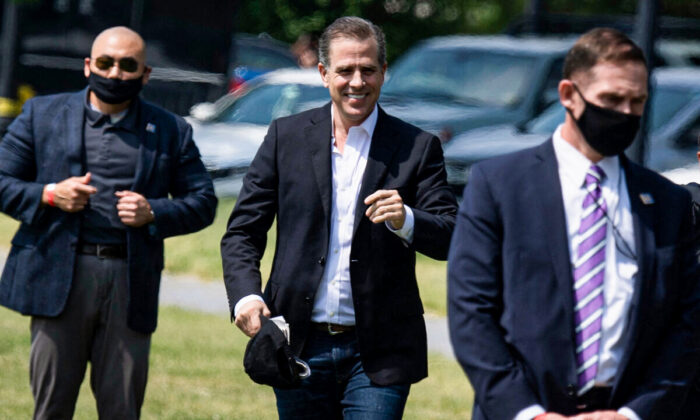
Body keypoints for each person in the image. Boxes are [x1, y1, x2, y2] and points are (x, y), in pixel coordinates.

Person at [447, 28, 700, 420]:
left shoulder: (666, 202)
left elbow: (685, 325)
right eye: (611, 100)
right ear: (568, 95)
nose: (626, 113)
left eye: (637, 102)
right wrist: (529, 413)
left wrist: (633, 413)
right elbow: (471, 313)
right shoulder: (499, 185)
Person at [221, 16, 457, 419]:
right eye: (345, 70)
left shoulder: (417, 147)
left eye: (368, 70)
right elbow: (242, 231)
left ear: (384, 72)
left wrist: (408, 220)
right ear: (323, 73)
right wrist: (246, 295)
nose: (357, 82)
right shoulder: (286, 137)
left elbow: (451, 235)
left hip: (379, 352)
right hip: (297, 341)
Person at [0, 26, 217, 419]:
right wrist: (49, 194)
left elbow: (203, 203)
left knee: (122, 408)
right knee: (50, 408)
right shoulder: (41, 114)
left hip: (129, 280)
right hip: (58, 276)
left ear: (145, 74)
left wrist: (154, 211)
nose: (115, 73)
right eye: (105, 63)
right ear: (88, 67)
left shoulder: (170, 130)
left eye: (127, 65)